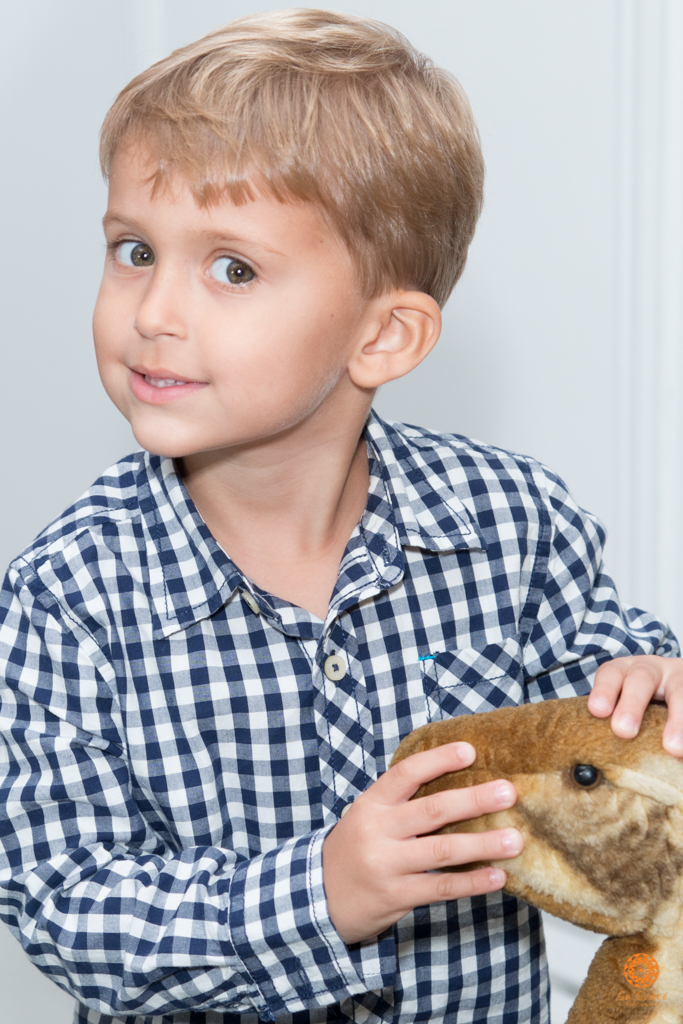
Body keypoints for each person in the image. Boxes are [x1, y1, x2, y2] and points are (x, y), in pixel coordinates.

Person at [0, 10, 681, 1024]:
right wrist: (320, 894)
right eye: (133, 250)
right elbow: (64, 906)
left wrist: (651, 681)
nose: (152, 311)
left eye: (231, 268)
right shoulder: (65, 593)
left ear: (384, 335)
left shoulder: (511, 522)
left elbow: (594, 690)